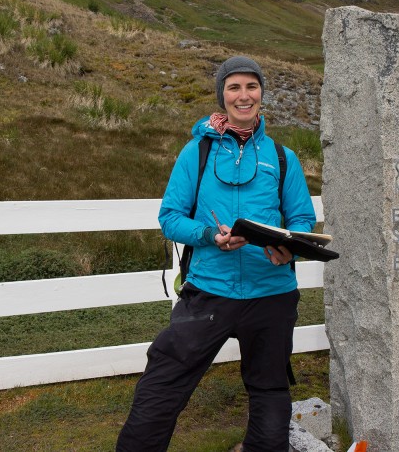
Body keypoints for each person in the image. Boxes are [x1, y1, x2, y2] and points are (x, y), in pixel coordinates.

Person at [116, 55, 317, 452]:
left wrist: (289, 250)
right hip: (209, 289)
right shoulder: (197, 152)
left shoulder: (282, 157)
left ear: (261, 93)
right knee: (164, 382)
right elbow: (170, 218)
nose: (244, 96)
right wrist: (210, 235)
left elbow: (302, 220)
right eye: (234, 87)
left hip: (271, 293)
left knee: (270, 387)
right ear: (222, 96)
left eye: (251, 86)